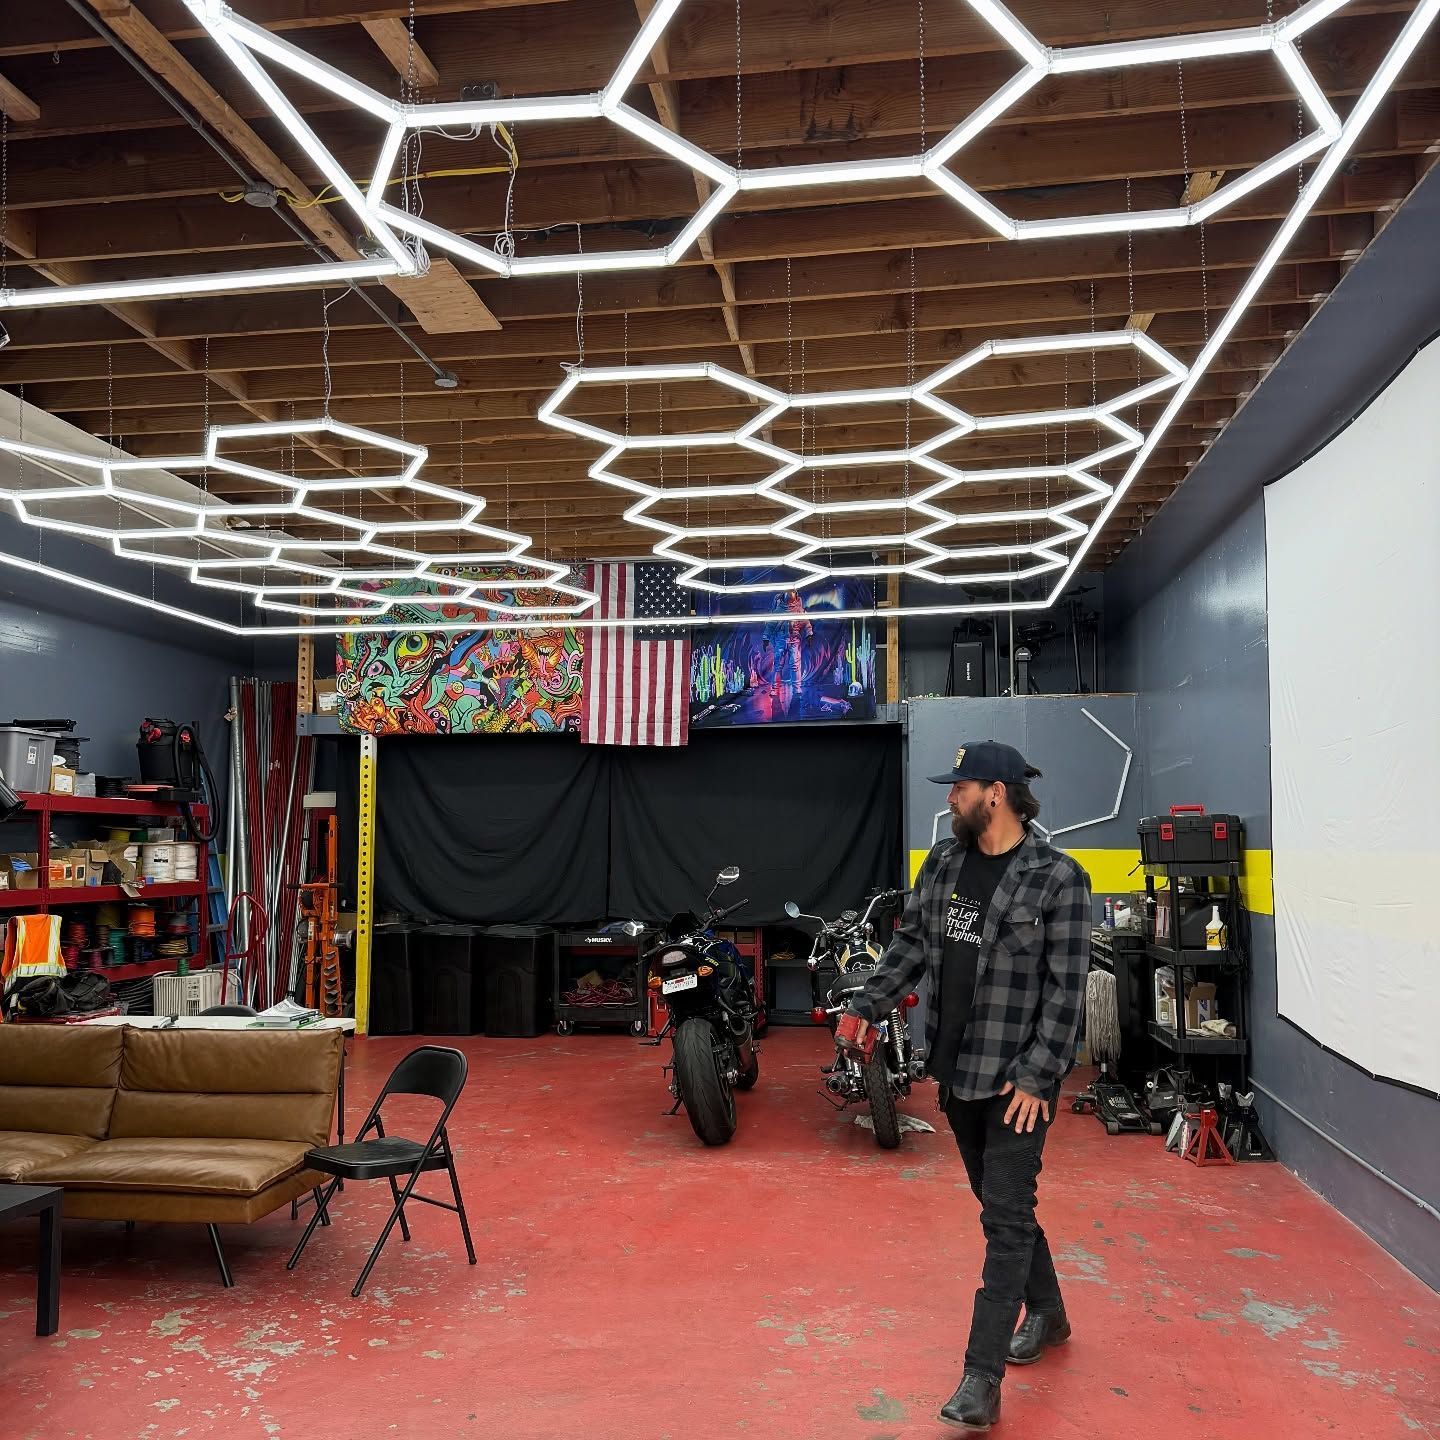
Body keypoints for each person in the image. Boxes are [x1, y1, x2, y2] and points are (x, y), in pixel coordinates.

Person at [840, 740, 1092, 1432]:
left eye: (961, 786)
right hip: (957, 1070)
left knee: (1003, 1221)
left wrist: (1041, 1074)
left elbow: (1067, 991)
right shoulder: (945, 862)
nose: (950, 797)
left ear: (998, 793)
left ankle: (981, 1378)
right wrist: (866, 1006)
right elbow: (912, 944)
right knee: (998, 1204)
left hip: (1017, 1081)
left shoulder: (1057, 878)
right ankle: (1051, 1311)